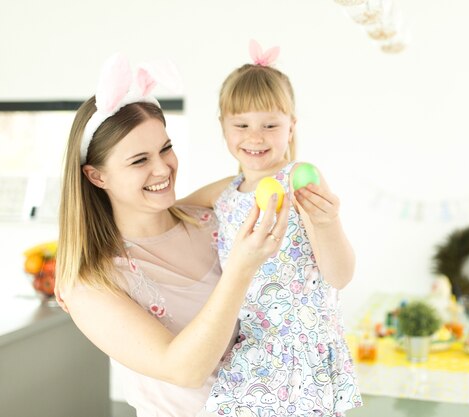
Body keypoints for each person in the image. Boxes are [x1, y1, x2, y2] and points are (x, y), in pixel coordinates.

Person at [54, 53, 290, 417]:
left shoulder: (213, 220)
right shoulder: (92, 282)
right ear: (96, 176)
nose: (162, 168)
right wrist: (241, 270)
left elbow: (250, 182)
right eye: (139, 160)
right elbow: (184, 370)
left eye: (165, 148)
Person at [180, 41, 362, 417]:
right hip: (252, 352)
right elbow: (168, 213)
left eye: (270, 125)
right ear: (223, 128)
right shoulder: (225, 193)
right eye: (241, 124)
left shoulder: (299, 179)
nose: (255, 136)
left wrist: (328, 222)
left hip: (302, 355)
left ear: (292, 126)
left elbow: (340, 275)